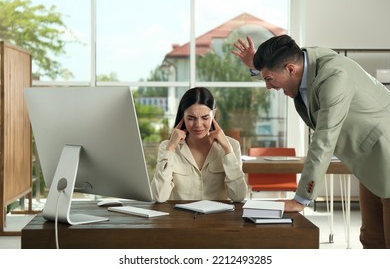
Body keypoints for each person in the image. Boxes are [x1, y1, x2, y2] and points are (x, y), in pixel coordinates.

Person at [232, 35, 390, 249]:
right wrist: (257, 66)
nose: (268, 87)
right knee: (372, 240)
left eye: (269, 79)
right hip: (369, 161)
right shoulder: (301, 61)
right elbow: (278, 68)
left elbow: (324, 140)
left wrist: (301, 199)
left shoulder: (334, 76)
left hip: (384, 153)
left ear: (290, 69)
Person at [151, 87, 248, 203]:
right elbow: (158, 196)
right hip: (180, 219)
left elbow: (239, 196)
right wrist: (171, 149)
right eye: (191, 118)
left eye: (205, 118)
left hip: (219, 219)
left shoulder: (232, 146)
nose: (198, 124)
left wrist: (227, 150)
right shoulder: (167, 147)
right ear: (183, 116)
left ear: (214, 114)